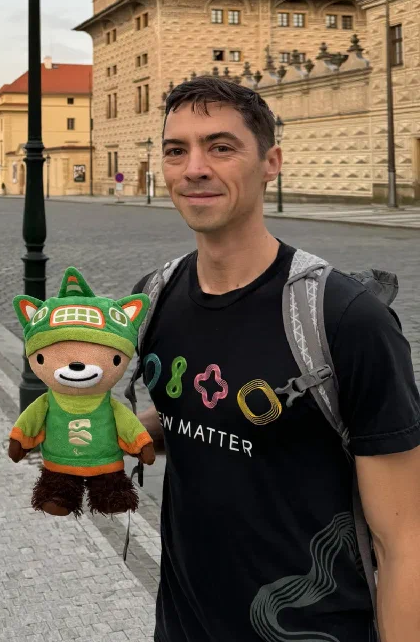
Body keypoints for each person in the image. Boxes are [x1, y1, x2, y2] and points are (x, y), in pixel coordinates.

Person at [132, 76, 420, 642]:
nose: (194, 168)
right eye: (176, 150)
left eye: (221, 147)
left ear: (271, 163)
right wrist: (111, 429)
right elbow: (199, 420)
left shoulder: (344, 319)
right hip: (182, 626)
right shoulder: (155, 297)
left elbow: (403, 539)